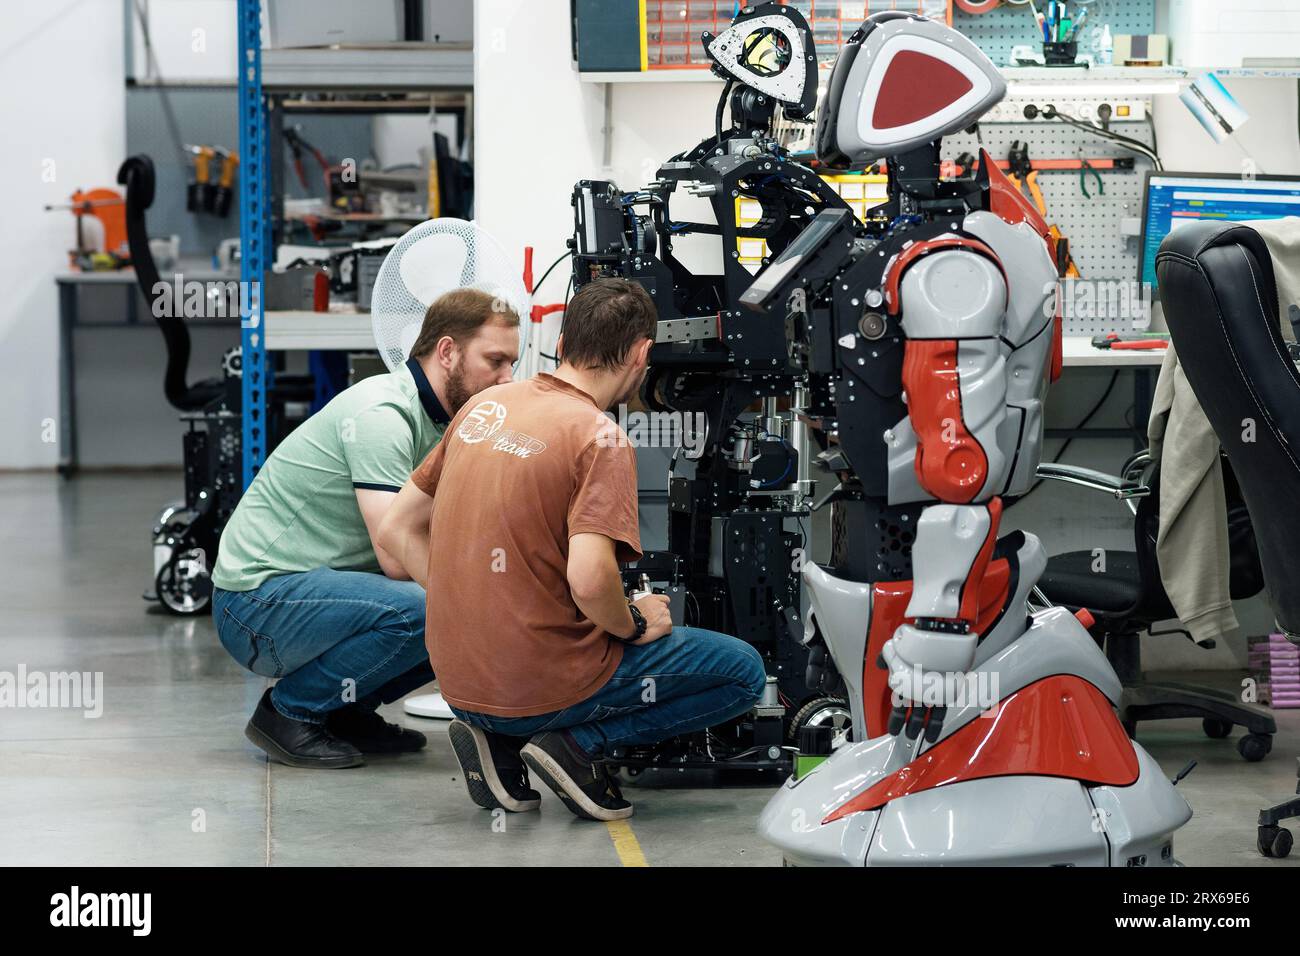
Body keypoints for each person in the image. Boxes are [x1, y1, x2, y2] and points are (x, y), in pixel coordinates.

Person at [380, 277, 766, 820]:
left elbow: (397, 527)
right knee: (742, 672)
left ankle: (501, 740)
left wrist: (464, 598)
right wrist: (633, 620)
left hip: (458, 681)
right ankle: (577, 747)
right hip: (537, 683)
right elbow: (588, 581)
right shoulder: (600, 437)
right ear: (641, 354)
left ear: (561, 344)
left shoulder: (486, 406)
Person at [212, 288, 520, 769]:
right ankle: (288, 712)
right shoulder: (383, 415)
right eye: (495, 361)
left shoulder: (451, 423)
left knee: (460, 605)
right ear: (447, 351)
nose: (506, 381)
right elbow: (398, 558)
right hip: (253, 604)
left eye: (511, 365)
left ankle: (344, 710)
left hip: (315, 589)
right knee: (432, 608)